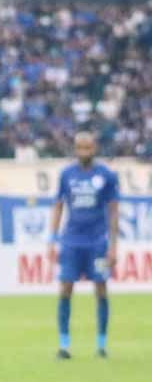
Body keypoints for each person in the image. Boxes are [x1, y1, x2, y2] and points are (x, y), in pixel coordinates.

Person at [48, 131, 120, 359]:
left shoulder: (107, 176)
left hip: (98, 243)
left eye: (87, 148)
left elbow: (114, 211)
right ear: (75, 148)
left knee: (101, 289)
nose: (83, 152)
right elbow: (59, 206)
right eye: (80, 148)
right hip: (71, 242)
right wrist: (52, 239)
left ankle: (101, 344)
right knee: (65, 288)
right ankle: (64, 345)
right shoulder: (67, 175)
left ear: (95, 148)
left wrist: (114, 246)